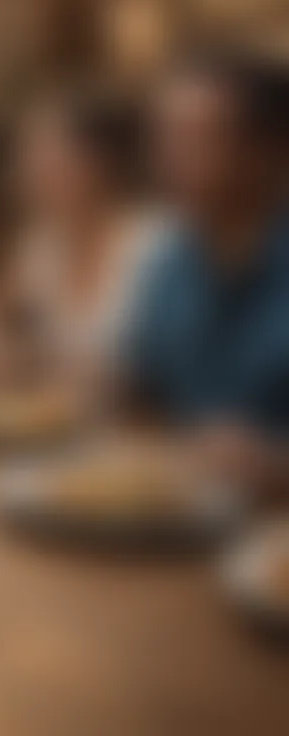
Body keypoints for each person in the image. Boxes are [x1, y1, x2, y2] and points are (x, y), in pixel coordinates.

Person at [124, 52, 289, 490]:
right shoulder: (172, 261)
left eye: (194, 140)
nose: (166, 160)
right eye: (162, 139)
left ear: (270, 153)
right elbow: (145, 389)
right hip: (181, 518)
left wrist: (276, 461)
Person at [0, 92, 158, 384]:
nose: (27, 171)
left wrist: (38, 365)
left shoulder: (154, 245)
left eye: (46, 153)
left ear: (101, 162)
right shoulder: (41, 241)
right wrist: (6, 350)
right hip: (63, 420)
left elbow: (169, 375)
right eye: (25, 155)